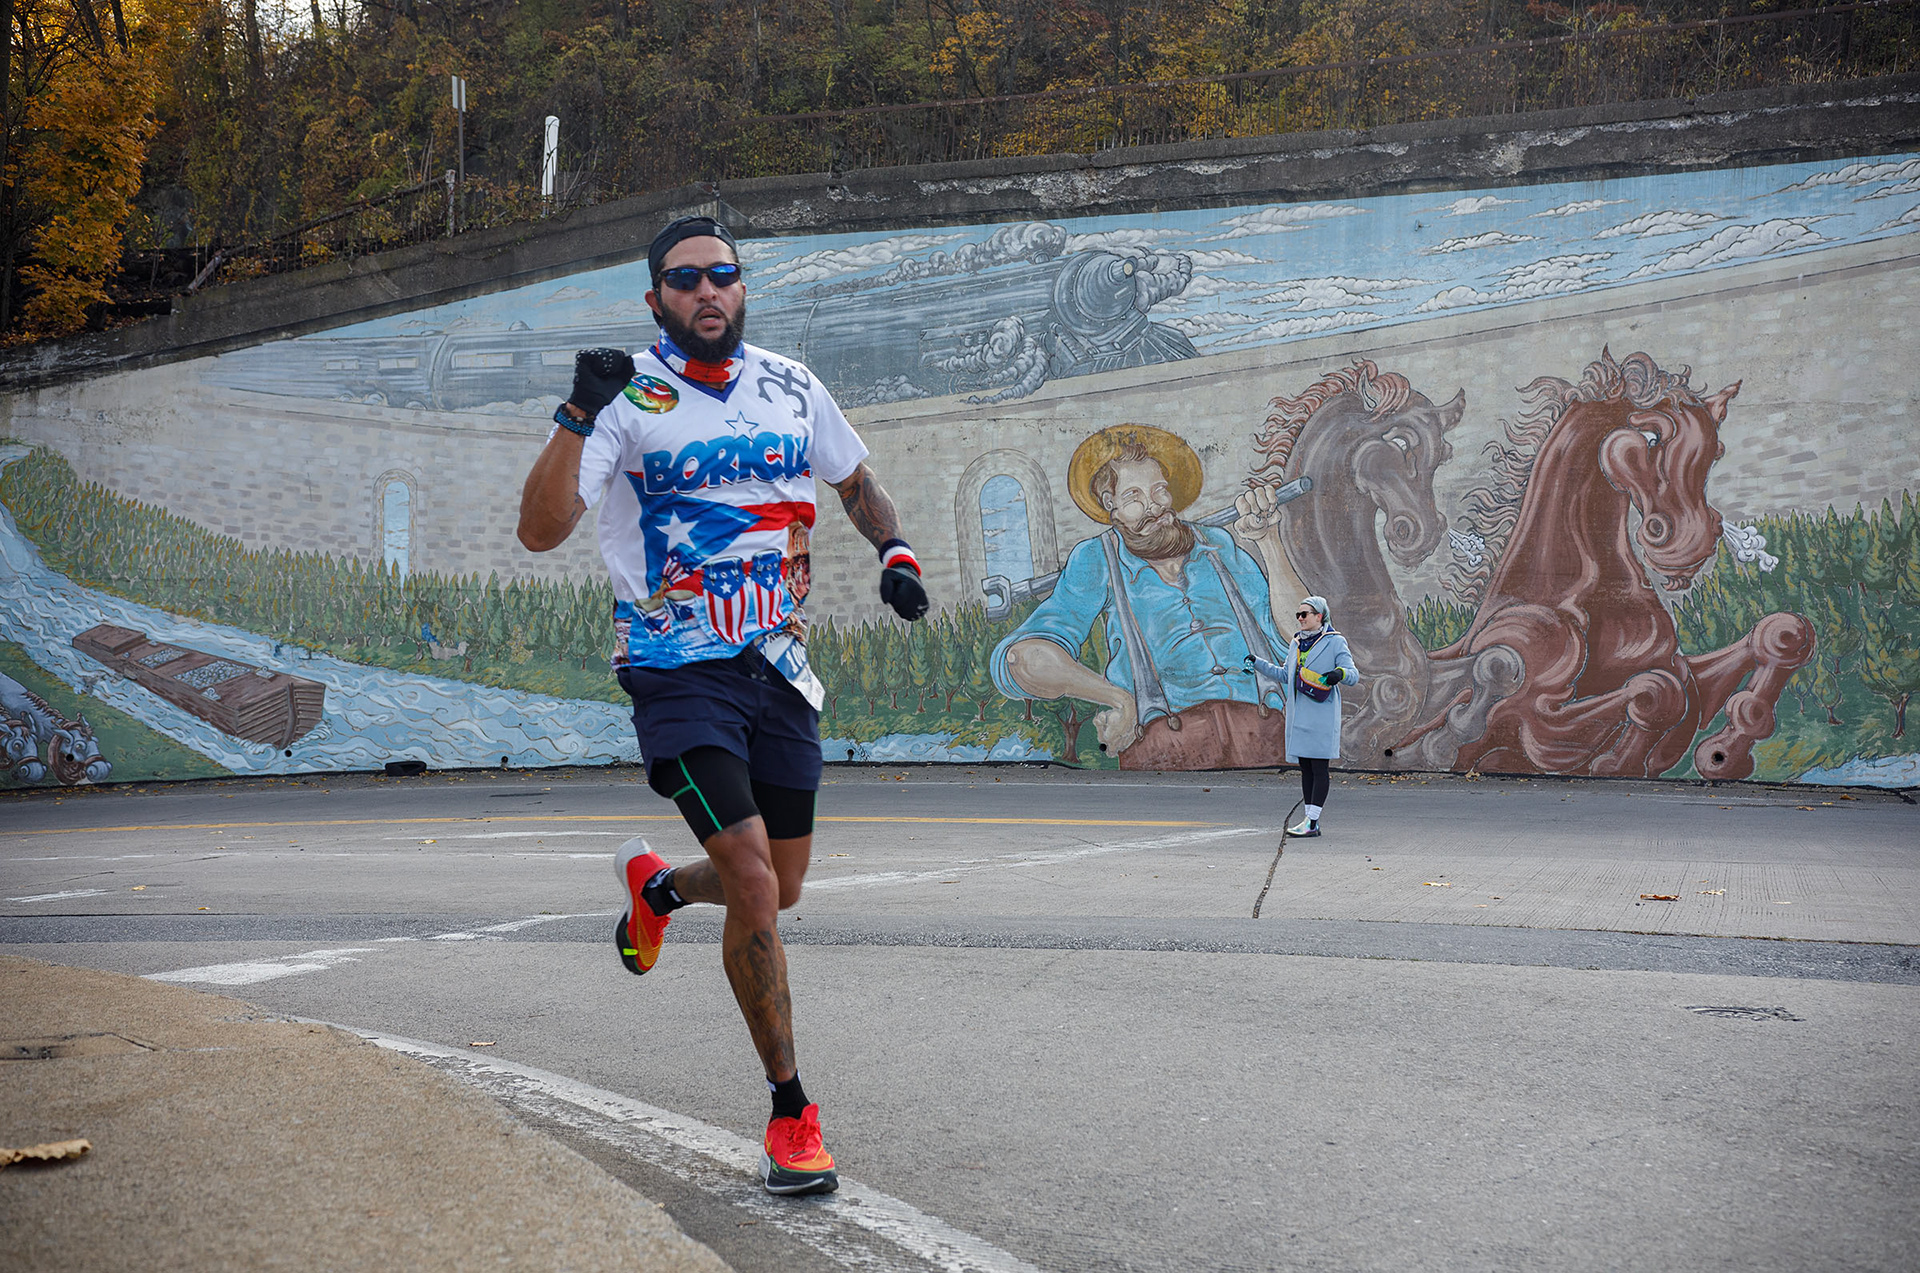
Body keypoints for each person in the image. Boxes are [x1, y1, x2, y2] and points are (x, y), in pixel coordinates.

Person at [515, 214, 929, 1196]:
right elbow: (538, 531)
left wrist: (895, 552)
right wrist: (576, 413)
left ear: (742, 288)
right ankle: (792, 1113)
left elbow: (855, 479)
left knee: (778, 888)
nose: (707, 290)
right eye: (684, 278)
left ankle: (657, 891)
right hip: (674, 667)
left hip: (778, 667)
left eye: (723, 275)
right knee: (751, 882)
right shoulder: (625, 400)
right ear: (655, 298)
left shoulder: (792, 384)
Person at [992, 424, 1307, 769]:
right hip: (1165, 746)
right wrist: (1118, 700)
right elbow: (1021, 660)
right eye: (1134, 498)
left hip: (1267, 734)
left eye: (1159, 491)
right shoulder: (1097, 559)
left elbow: (1304, 635)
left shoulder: (1219, 546)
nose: (1154, 506)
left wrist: (1268, 541)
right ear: (1110, 506)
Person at [1248, 595, 1358, 837]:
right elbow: (1286, 675)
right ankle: (1311, 822)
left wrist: (1338, 673)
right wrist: (1257, 663)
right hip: (1299, 714)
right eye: (1298, 614)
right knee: (1306, 767)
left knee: (1319, 767)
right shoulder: (1297, 642)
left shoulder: (1335, 642)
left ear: (1319, 616)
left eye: (1304, 614)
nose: (1300, 618)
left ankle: (1312, 820)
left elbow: (1353, 674)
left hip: (1322, 714)